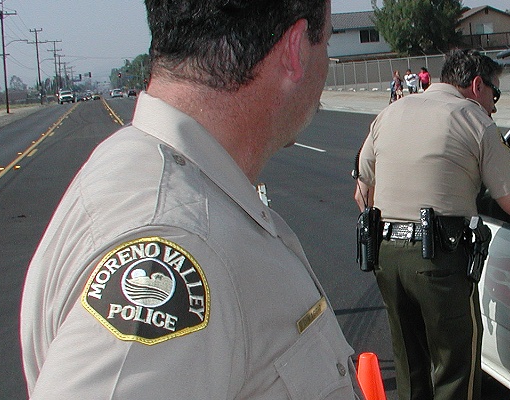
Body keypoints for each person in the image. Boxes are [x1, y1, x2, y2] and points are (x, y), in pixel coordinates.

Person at [19, 1, 360, 398]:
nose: (327, 63)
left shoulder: (140, 166)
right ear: (295, 49)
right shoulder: (178, 242)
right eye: (328, 42)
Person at [354, 49, 510, 400]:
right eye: (495, 93)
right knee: (454, 372)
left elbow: (362, 189)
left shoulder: (391, 111)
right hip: (437, 260)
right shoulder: (474, 120)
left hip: (385, 256)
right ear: (477, 85)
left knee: (410, 367)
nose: (494, 104)